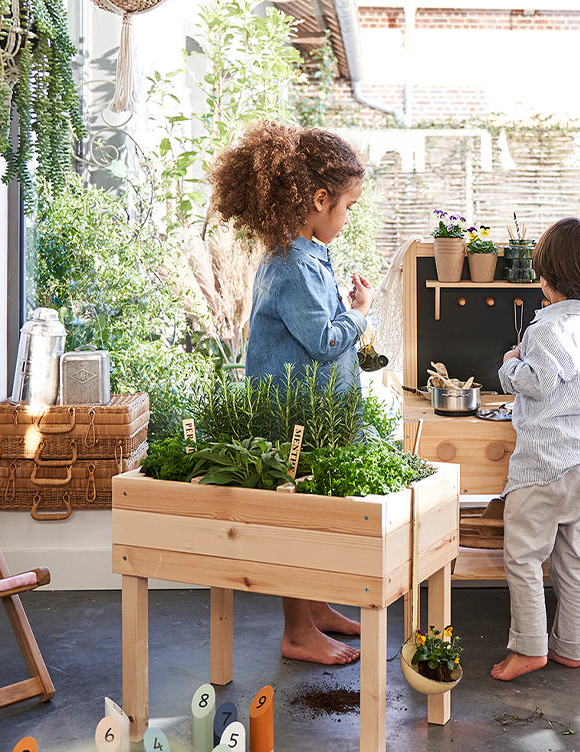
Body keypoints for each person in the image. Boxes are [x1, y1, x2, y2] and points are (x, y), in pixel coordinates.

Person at [207, 121, 373, 665]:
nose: (347, 217)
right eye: (346, 206)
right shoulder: (291, 266)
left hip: (314, 411)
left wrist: (345, 302)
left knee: (314, 513)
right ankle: (297, 632)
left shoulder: (308, 254)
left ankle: (317, 610)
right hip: (291, 417)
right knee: (298, 518)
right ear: (319, 199)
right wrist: (358, 314)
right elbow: (325, 340)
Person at [490, 217, 580, 682]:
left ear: (546, 279)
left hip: (542, 468)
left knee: (523, 558)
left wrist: (509, 367)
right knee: (575, 558)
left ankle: (529, 648)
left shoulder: (543, 331)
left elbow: (538, 384)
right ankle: (570, 646)